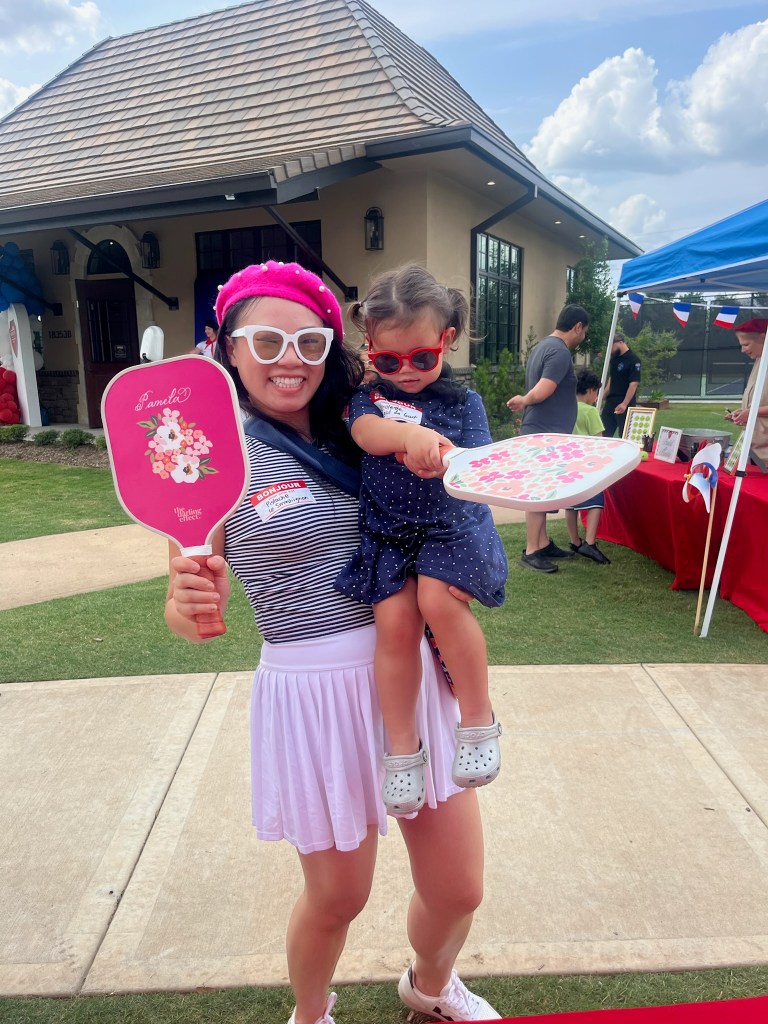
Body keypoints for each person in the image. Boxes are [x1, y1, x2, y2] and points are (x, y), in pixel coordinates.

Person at [164, 260, 501, 1024]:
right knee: (338, 895)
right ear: (226, 346)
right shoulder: (205, 457)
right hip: (310, 693)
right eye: (267, 339)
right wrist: (189, 603)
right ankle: (310, 1013)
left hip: (409, 680)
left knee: (459, 888)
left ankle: (431, 984)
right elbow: (185, 606)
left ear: (330, 348)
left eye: (309, 342)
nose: (290, 358)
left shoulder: (371, 420)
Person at [334, 264, 506, 818]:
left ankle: (477, 721)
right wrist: (409, 436)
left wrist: (448, 462)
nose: (405, 373)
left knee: (436, 600)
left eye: (422, 358)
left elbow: (478, 468)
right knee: (394, 624)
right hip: (389, 534)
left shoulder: (465, 405)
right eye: (388, 361)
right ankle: (402, 752)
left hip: (449, 529)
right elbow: (366, 435)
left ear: (446, 341)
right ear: (370, 349)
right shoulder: (370, 401)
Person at [506, 303, 589, 573]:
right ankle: (532, 550)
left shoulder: (544, 346)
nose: (584, 337)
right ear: (577, 326)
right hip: (544, 433)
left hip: (546, 431)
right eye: (584, 331)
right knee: (538, 491)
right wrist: (524, 400)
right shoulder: (560, 351)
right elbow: (544, 389)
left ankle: (542, 543)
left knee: (544, 489)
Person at [565, 369, 611, 565]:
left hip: (566, 463)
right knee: (596, 501)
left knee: (570, 503)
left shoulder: (565, 408)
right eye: (596, 393)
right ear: (591, 390)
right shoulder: (591, 411)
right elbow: (598, 441)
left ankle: (575, 541)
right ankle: (590, 543)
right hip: (586, 464)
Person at [725, 317, 768, 463]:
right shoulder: (760, 360)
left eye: (746, 344)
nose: (743, 350)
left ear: (764, 337)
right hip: (756, 447)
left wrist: (751, 412)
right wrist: (743, 412)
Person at [602, 332, 641, 438]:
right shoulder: (614, 359)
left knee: (624, 436)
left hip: (624, 403)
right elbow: (612, 379)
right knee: (604, 433)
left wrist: (624, 403)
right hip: (611, 402)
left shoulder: (634, 360)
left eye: (611, 346)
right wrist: (602, 396)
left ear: (620, 342)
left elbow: (633, 384)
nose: (610, 350)